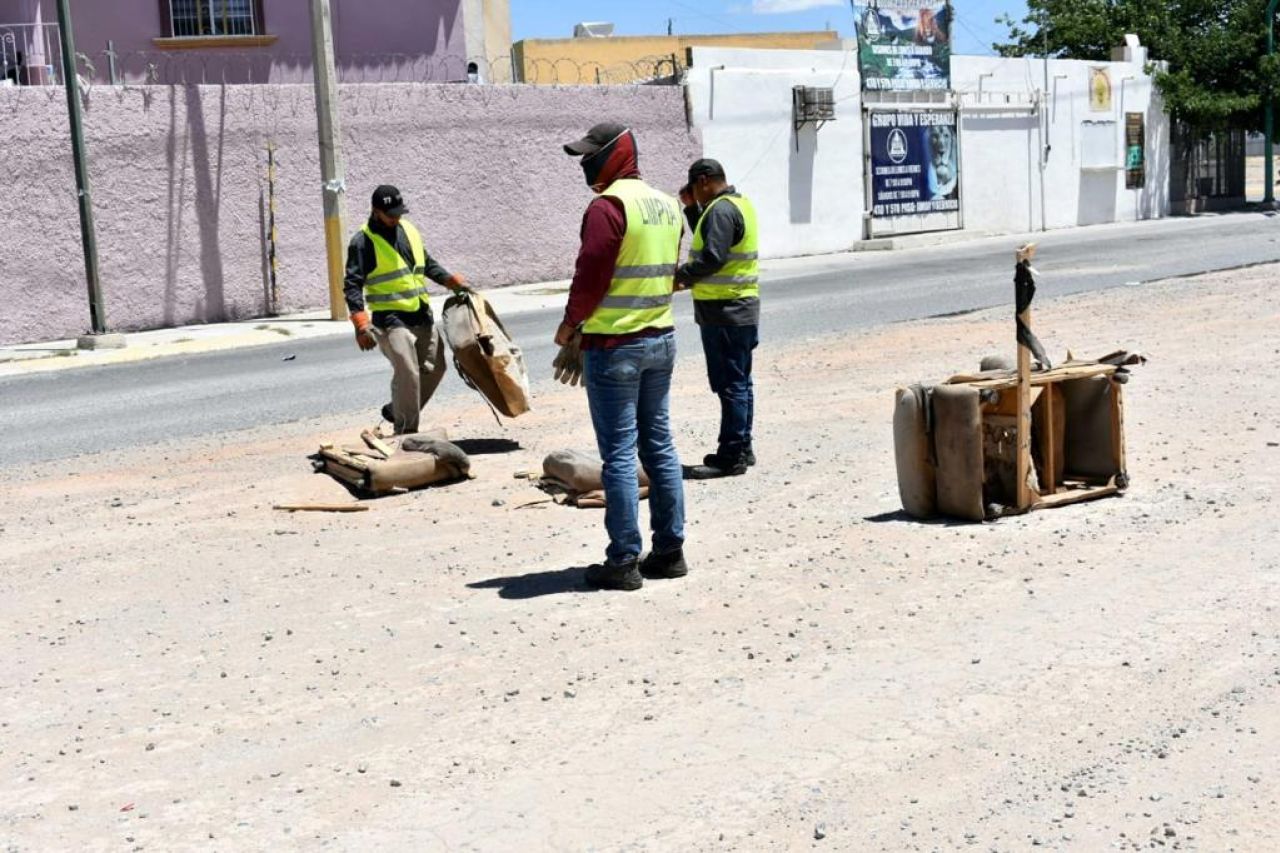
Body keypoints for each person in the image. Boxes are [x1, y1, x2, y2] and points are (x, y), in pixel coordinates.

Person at [558, 122, 687, 591]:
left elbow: (590, 275)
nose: (584, 163)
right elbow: (668, 271)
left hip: (615, 348)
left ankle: (624, 560)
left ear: (615, 155)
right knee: (660, 447)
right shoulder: (668, 205)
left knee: (618, 455)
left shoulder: (607, 207)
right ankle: (670, 551)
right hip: (661, 340)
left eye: (591, 154)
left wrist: (571, 325)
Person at [344, 185, 467, 434]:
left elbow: (427, 263)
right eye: (391, 215)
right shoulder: (363, 241)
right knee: (408, 372)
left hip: (420, 314)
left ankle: (396, 409)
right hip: (389, 320)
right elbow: (352, 284)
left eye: (399, 213)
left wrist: (449, 281)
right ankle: (406, 434)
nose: (396, 218)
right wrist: (360, 323)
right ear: (376, 212)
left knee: (436, 367)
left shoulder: (408, 230)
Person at [675, 159, 760, 479]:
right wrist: (691, 209)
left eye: (695, 189)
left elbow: (712, 256)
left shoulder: (722, 210)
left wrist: (679, 278)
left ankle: (731, 456)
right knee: (740, 382)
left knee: (730, 385)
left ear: (705, 180)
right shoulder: (735, 205)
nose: (694, 195)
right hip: (738, 309)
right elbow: (712, 239)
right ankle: (743, 446)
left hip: (725, 312)